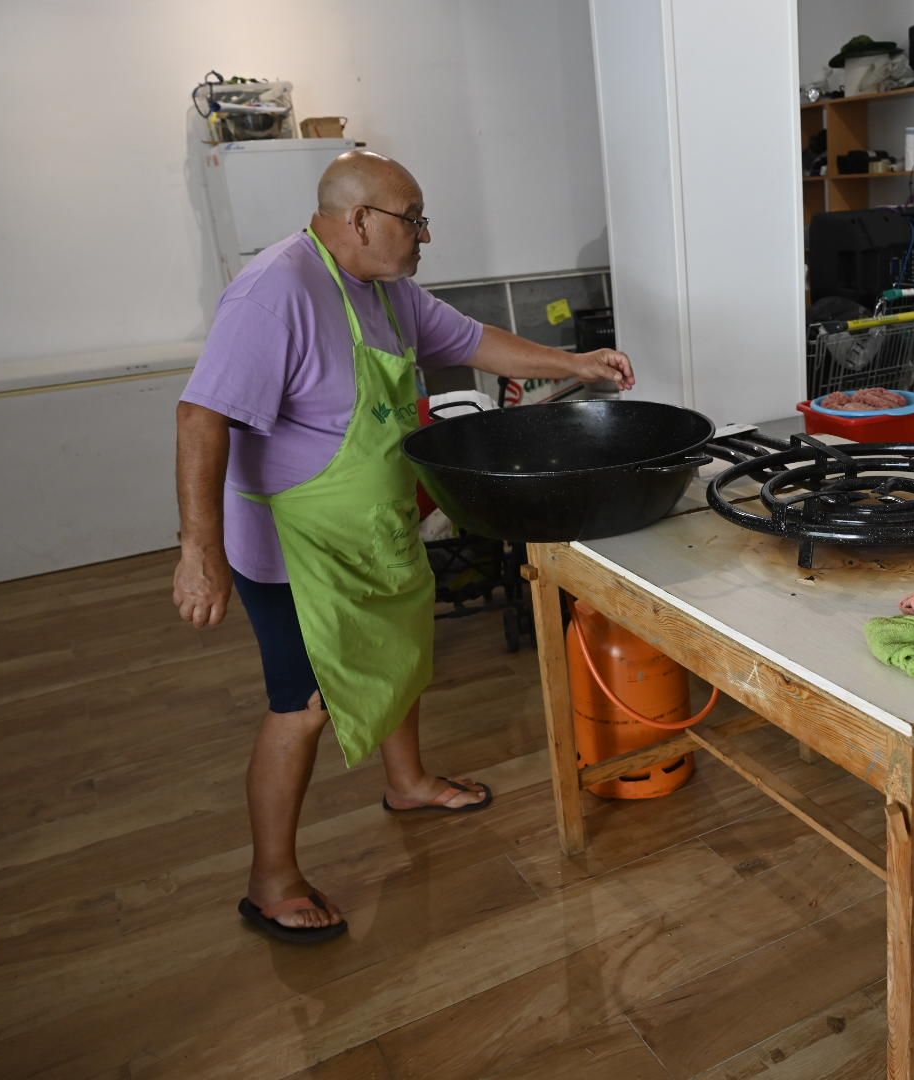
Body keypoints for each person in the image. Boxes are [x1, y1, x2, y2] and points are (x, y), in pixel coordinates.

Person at [173, 150, 635, 943]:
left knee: (400, 649)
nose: (426, 234)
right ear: (360, 219)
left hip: (375, 523)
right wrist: (198, 551)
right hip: (295, 545)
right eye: (414, 218)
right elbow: (200, 418)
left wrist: (576, 363)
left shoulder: (385, 291)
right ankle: (271, 882)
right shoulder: (275, 290)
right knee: (304, 705)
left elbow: (472, 340)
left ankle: (409, 782)